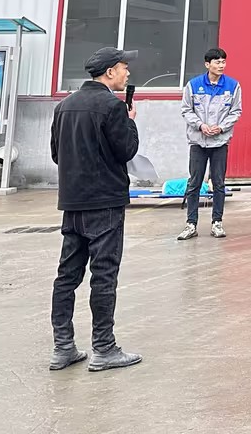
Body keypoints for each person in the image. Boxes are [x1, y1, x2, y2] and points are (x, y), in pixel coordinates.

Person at [49, 47, 141, 372]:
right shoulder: (112, 107)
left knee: (67, 276)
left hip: (72, 202)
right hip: (105, 203)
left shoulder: (64, 106)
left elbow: (56, 154)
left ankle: (63, 347)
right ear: (110, 72)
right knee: (104, 276)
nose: (127, 73)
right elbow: (126, 150)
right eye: (124, 67)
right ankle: (104, 348)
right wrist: (130, 122)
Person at [177, 47, 242, 240]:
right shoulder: (193, 85)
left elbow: (236, 112)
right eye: (217, 62)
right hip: (198, 142)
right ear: (207, 64)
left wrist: (221, 127)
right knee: (194, 183)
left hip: (220, 142)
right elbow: (186, 110)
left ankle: (217, 223)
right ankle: (191, 224)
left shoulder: (233, 86)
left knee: (219, 183)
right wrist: (200, 125)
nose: (221, 65)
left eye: (223, 62)